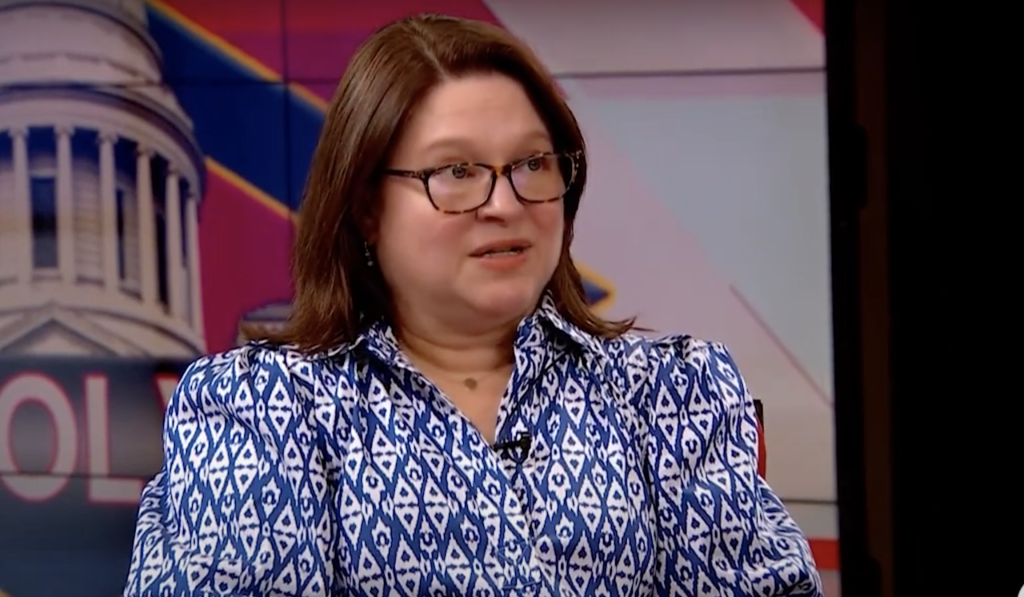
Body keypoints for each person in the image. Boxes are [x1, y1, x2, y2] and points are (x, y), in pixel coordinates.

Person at [122, 13, 824, 597]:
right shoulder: (261, 405)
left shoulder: (671, 391)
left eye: (532, 164)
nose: (505, 204)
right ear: (366, 207)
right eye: (457, 171)